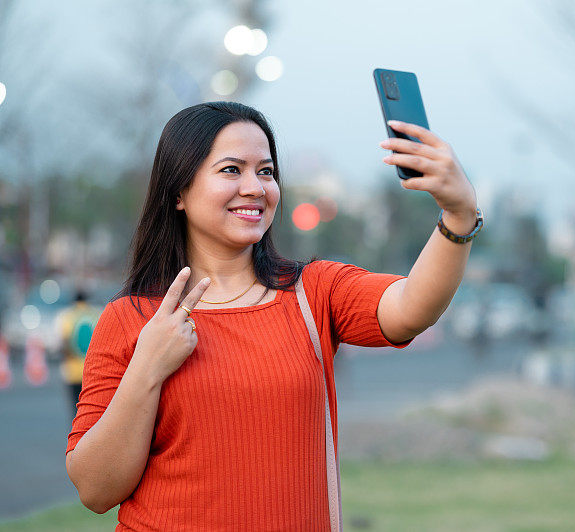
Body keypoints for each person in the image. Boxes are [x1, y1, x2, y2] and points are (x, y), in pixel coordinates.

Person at [65, 101, 481, 531]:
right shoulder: (130, 318)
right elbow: (96, 490)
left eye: (266, 171)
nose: (255, 187)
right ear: (178, 192)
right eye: (231, 170)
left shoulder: (313, 292)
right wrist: (148, 367)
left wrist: (459, 214)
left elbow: (411, 308)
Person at [57, 288, 102, 419]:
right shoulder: (96, 314)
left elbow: (64, 342)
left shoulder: (68, 316)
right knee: (93, 410)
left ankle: (78, 437)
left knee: (76, 409)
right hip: (94, 371)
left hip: (73, 371)